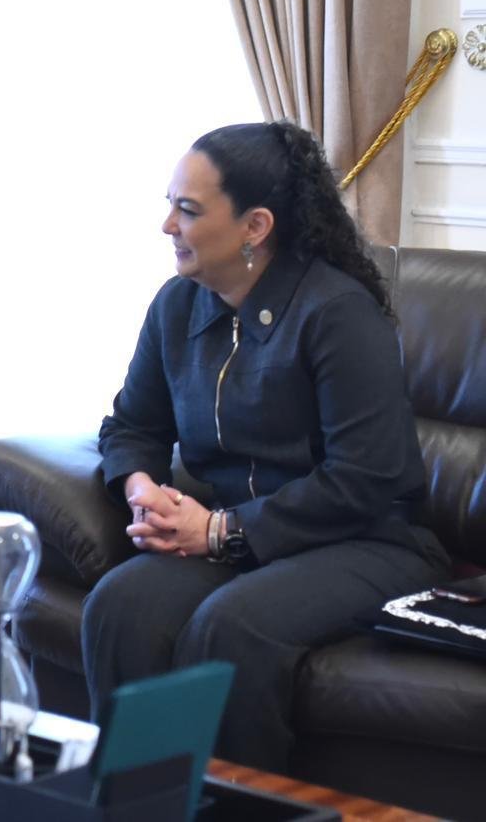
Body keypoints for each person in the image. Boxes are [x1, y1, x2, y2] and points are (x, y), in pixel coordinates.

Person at [81, 120, 450, 773]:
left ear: (255, 226)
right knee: (121, 605)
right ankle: (141, 804)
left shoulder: (336, 312)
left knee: (232, 628)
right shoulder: (178, 306)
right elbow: (133, 425)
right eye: (170, 204)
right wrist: (142, 490)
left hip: (367, 541)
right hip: (236, 538)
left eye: (188, 210)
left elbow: (365, 478)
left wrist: (219, 530)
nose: (168, 225)